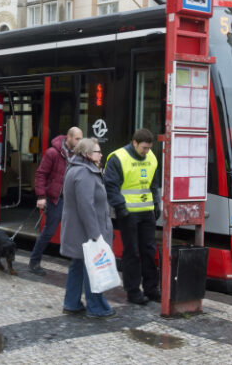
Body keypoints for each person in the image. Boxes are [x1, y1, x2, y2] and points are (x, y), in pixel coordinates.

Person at [104, 128, 161, 305]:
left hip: (146, 212)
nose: (146, 152)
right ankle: (133, 291)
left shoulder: (151, 157)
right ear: (134, 143)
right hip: (128, 213)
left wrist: (156, 203)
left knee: (150, 251)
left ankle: (152, 289)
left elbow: (153, 184)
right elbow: (111, 185)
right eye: (143, 148)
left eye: (149, 148)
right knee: (132, 253)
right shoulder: (118, 158)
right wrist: (120, 206)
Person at [60, 137, 115, 319]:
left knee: (77, 265)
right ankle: (96, 307)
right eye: (98, 152)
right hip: (86, 232)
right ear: (87, 154)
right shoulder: (85, 173)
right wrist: (95, 235)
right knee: (93, 267)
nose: (101, 155)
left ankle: (71, 303)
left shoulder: (75, 169)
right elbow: (86, 205)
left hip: (77, 230)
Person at [28, 127, 83, 276]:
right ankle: (34, 261)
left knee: (74, 231)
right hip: (55, 200)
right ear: (69, 137)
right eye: (77, 139)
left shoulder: (78, 154)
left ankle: (77, 264)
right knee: (49, 232)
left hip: (71, 200)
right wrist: (41, 196)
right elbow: (41, 174)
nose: (80, 142)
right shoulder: (53, 153)